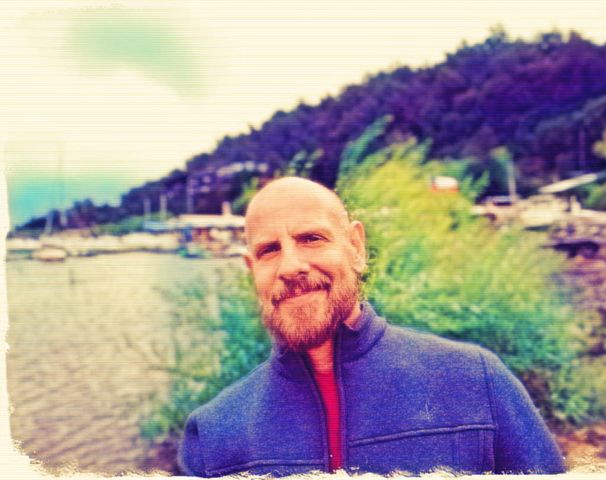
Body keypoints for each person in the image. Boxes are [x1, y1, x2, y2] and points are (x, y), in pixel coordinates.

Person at [179, 176, 566, 477]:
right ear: (252, 270)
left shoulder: (475, 383)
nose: (291, 266)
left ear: (356, 248)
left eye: (311, 238)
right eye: (269, 250)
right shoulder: (214, 435)